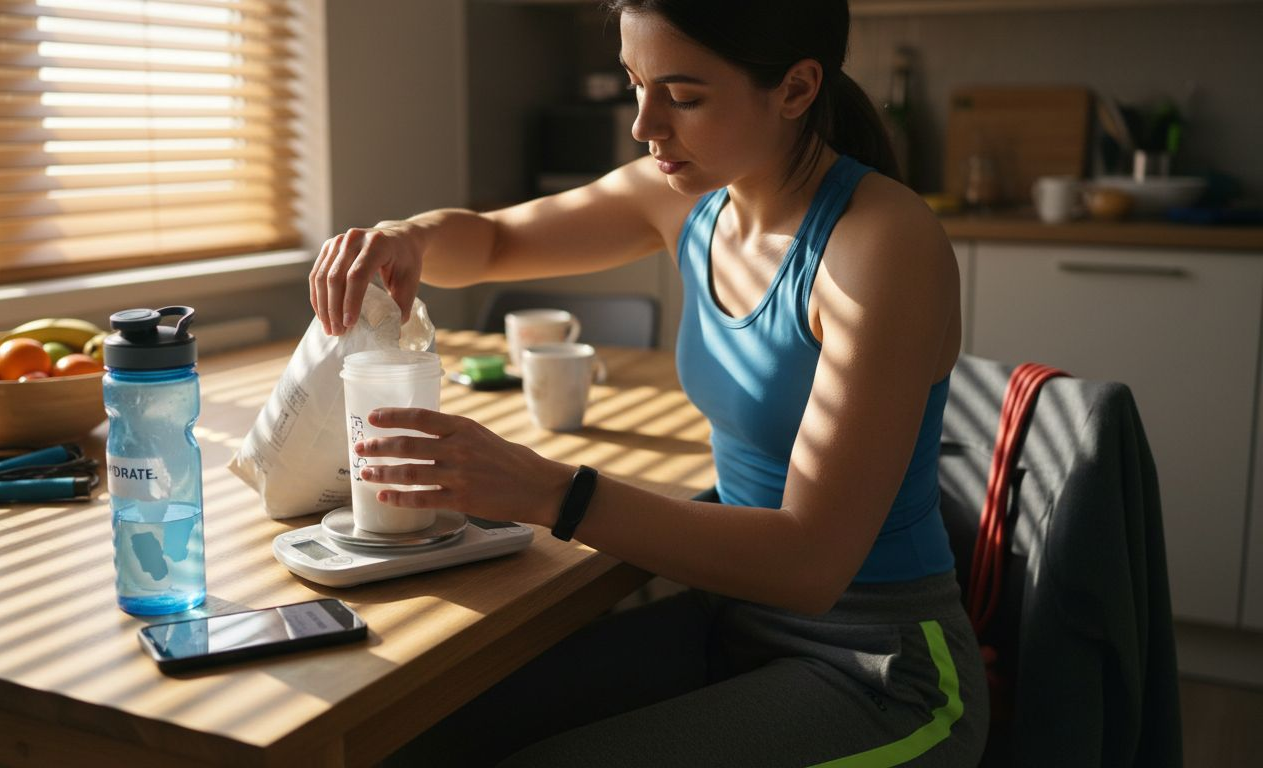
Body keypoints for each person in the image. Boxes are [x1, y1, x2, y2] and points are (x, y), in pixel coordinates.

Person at [309, 0, 987, 765]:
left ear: (796, 89)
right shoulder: (685, 198)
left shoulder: (880, 242)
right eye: (636, 83)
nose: (644, 125)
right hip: (734, 621)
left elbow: (810, 564)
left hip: (880, 671)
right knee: (425, 735)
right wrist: (407, 238)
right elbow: (495, 241)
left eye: (684, 97)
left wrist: (550, 491)